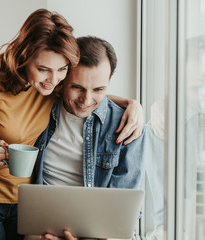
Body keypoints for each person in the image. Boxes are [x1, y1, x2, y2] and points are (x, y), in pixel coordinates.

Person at [0, 9, 143, 240]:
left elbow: (88, 94)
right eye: (43, 69)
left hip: (25, 204)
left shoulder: (51, 87)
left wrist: (132, 104)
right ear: (25, 57)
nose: (53, 79)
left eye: (61, 70)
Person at [34, 36, 147, 240]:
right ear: (63, 78)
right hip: (46, 228)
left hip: (101, 232)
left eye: (98, 90)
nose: (86, 100)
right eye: (77, 87)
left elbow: (126, 208)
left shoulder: (128, 124)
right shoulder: (38, 109)